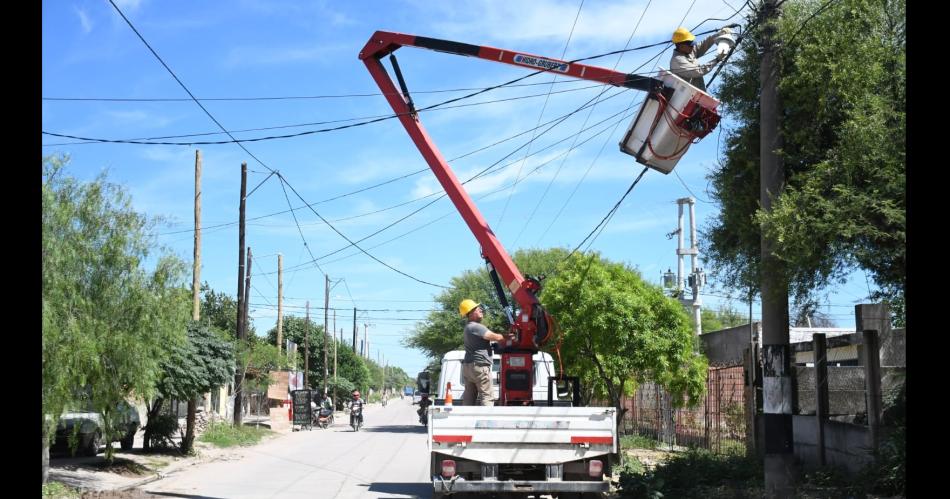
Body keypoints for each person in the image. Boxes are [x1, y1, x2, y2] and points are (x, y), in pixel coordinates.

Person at [458, 299, 512, 406]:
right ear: (471, 313)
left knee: (469, 397)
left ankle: (466, 420)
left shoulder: (468, 327)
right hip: (479, 366)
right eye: (478, 309)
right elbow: (494, 337)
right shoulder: (476, 327)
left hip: (468, 367)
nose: (481, 310)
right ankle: (487, 422)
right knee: (487, 396)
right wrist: (509, 337)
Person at [668, 26, 733, 92]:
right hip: (688, 97)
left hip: (698, 95)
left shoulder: (688, 51)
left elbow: (704, 44)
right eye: (690, 45)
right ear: (681, 46)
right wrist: (717, 60)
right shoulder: (677, 60)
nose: (693, 46)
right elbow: (698, 71)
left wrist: (719, 34)